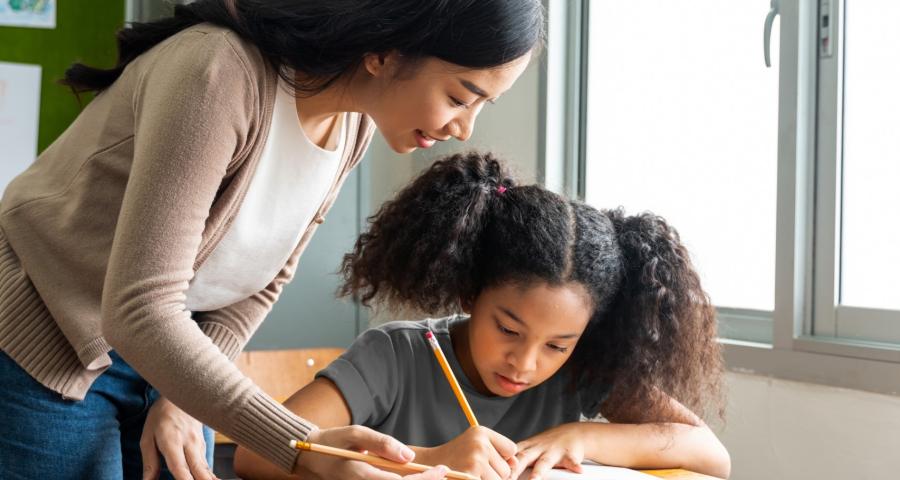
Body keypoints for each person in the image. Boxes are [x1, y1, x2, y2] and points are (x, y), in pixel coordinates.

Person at [0, 0, 543, 478]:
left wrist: (183, 397)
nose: (463, 128)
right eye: (459, 96)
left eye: (480, 106)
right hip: (43, 336)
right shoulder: (217, 73)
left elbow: (260, 281)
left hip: (165, 349)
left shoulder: (352, 123)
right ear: (384, 53)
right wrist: (303, 445)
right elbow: (140, 307)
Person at [233, 152, 732, 480]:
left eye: (557, 344)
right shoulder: (396, 355)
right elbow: (254, 454)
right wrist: (427, 463)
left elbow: (711, 455)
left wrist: (580, 435)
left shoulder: (581, 371)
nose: (525, 363)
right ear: (471, 291)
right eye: (508, 329)